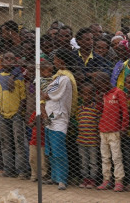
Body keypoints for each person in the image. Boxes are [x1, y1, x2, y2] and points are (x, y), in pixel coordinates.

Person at [43, 49, 77, 190]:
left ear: (62, 61)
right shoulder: (57, 77)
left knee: (58, 149)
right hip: (51, 115)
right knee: (51, 150)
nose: (54, 61)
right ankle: (54, 177)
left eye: (56, 59)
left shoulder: (64, 78)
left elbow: (48, 94)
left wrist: (43, 94)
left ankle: (62, 179)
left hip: (59, 116)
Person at [0, 51, 28, 179]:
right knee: (5, 142)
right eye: (6, 58)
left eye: (12, 59)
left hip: (16, 114)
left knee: (19, 142)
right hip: (2, 114)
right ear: (2, 61)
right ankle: (8, 168)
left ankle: (21, 170)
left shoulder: (19, 77)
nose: (9, 61)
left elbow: (23, 97)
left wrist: (19, 111)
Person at [95, 71, 129, 192]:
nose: (99, 88)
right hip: (103, 130)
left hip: (114, 130)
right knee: (105, 157)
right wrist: (99, 100)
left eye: (99, 85)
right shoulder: (103, 95)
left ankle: (119, 181)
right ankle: (106, 180)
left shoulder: (118, 93)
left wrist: (124, 126)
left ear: (105, 82)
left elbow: (125, 111)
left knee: (116, 157)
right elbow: (99, 111)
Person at [76, 82, 102, 189]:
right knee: (83, 161)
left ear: (93, 95)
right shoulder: (80, 109)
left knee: (93, 162)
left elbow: (99, 123)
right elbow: (78, 122)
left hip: (93, 141)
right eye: (84, 94)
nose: (87, 97)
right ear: (81, 95)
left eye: (90, 94)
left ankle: (92, 180)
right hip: (82, 140)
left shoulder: (95, 108)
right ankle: (85, 178)